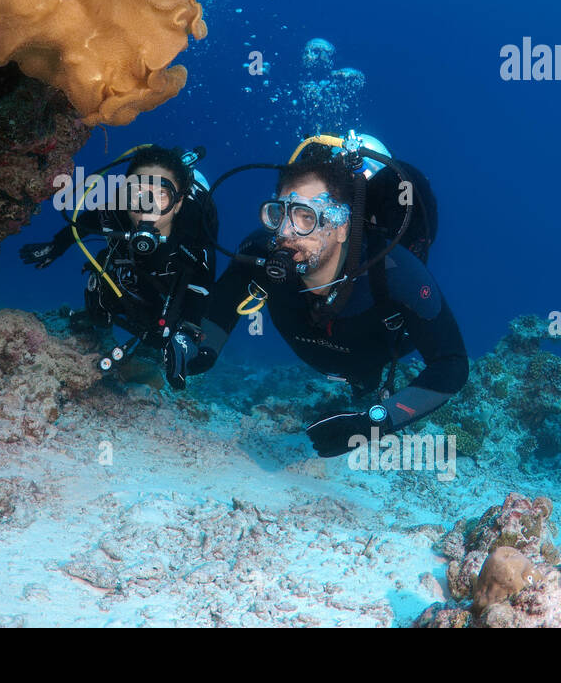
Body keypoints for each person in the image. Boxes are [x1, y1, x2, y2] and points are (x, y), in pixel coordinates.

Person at [188, 142, 468, 457]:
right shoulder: (259, 254)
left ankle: (364, 383)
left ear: (340, 227)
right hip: (317, 342)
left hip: (375, 348)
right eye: (280, 214)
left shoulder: (396, 273)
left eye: (306, 217)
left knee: (366, 378)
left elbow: (452, 364)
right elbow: (224, 302)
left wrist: (374, 423)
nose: (286, 232)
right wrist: (202, 351)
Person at [20, 146, 218, 389]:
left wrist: (186, 332)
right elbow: (85, 223)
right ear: (125, 193)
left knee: (161, 333)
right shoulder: (116, 210)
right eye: (138, 193)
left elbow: (202, 286)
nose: (147, 207)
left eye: (162, 196)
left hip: (175, 273)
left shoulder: (195, 226)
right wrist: (56, 246)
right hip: (136, 264)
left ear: (178, 203)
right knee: (102, 307)